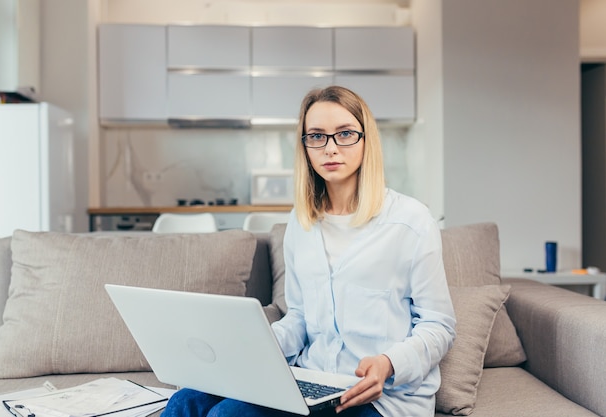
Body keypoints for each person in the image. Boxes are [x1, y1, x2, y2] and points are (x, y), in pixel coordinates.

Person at [162, 86, 456, 417]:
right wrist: (250, 345)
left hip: (380, 398)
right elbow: (301, 317)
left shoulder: (411, 221)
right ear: (305, 146)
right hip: (313, 381)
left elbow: (439, 325)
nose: (330, 148)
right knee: (185, 401)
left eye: (344, 134)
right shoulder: (302, 223)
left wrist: (389, 363)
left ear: (365, 139)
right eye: (316, 136)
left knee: (227, 416)